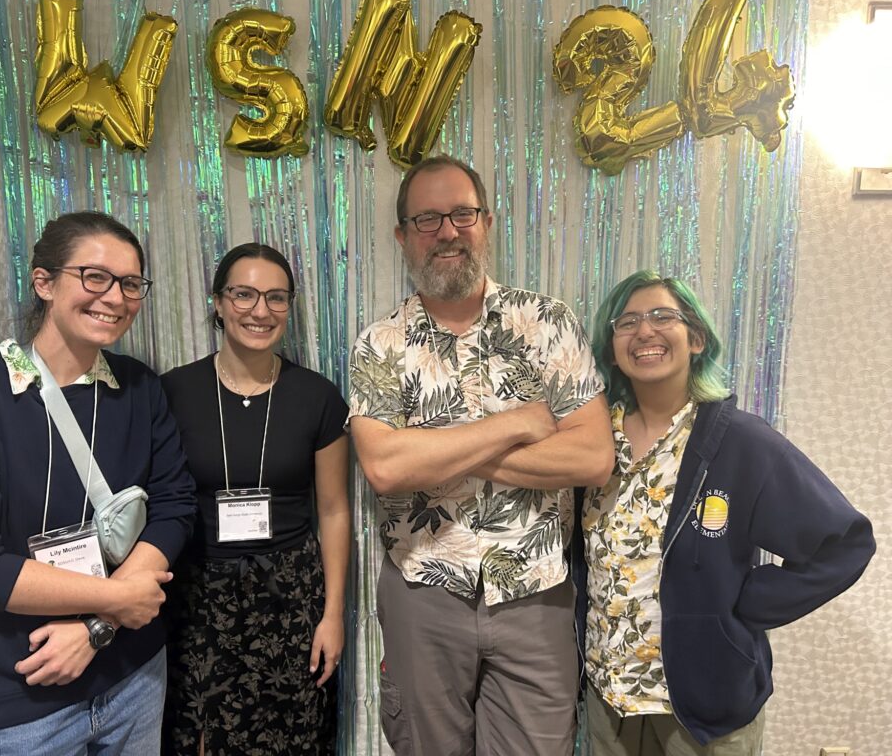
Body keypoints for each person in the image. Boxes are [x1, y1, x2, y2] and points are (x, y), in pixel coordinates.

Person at [0, 210, 196, 754]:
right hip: (14, 699)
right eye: (95, 276)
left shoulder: (139, 388)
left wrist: (100, 625)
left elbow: (175, 504)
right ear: (44, 282)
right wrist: (118, 599)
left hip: (132, 676)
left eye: (131, 284)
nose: (115, 297)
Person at [348, 155, 615, 755]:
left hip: (536, 593)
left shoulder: (546, 323)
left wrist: (437, 446)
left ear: (486, 222)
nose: (448, 231)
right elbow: (386, 468)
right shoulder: (380, 343)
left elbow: (594, 457)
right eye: (427, 219)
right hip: (423, 591)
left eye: (462, 214)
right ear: (402, 236)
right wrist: (521, 422)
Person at [576, 270, 876, 754]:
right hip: (610, 699)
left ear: (696, 338)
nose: (644, 331)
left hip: (706, 704)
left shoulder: (741, 442)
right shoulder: (591, 446)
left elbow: (845, 544)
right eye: (626, 322)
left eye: (662, 316)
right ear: (612, 348)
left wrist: (744, 606)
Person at [161, 243, 350, 756]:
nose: (260, 310)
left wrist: (332, 615)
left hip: (290, 600)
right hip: (199, 598)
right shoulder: (172, 392)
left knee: (292, 736)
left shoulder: (318, 397)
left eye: (276, 297)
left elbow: (333, 511)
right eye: (243, 294)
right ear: (218, 303)